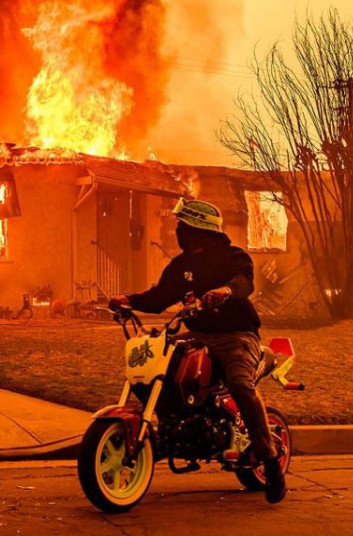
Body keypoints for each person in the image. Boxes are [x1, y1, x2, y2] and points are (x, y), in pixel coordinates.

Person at [109, 197, 287, 504]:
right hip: (199, 334)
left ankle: (270, 462)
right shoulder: (181, 266)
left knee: (242, 386)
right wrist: (129, 300)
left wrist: (225, 291)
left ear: (199, 229)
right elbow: (159, 297)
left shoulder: (233, 256)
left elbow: (244, 282)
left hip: (236, 335)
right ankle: (173, 428)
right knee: (161, 367)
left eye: (183, 225)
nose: (178, 230)